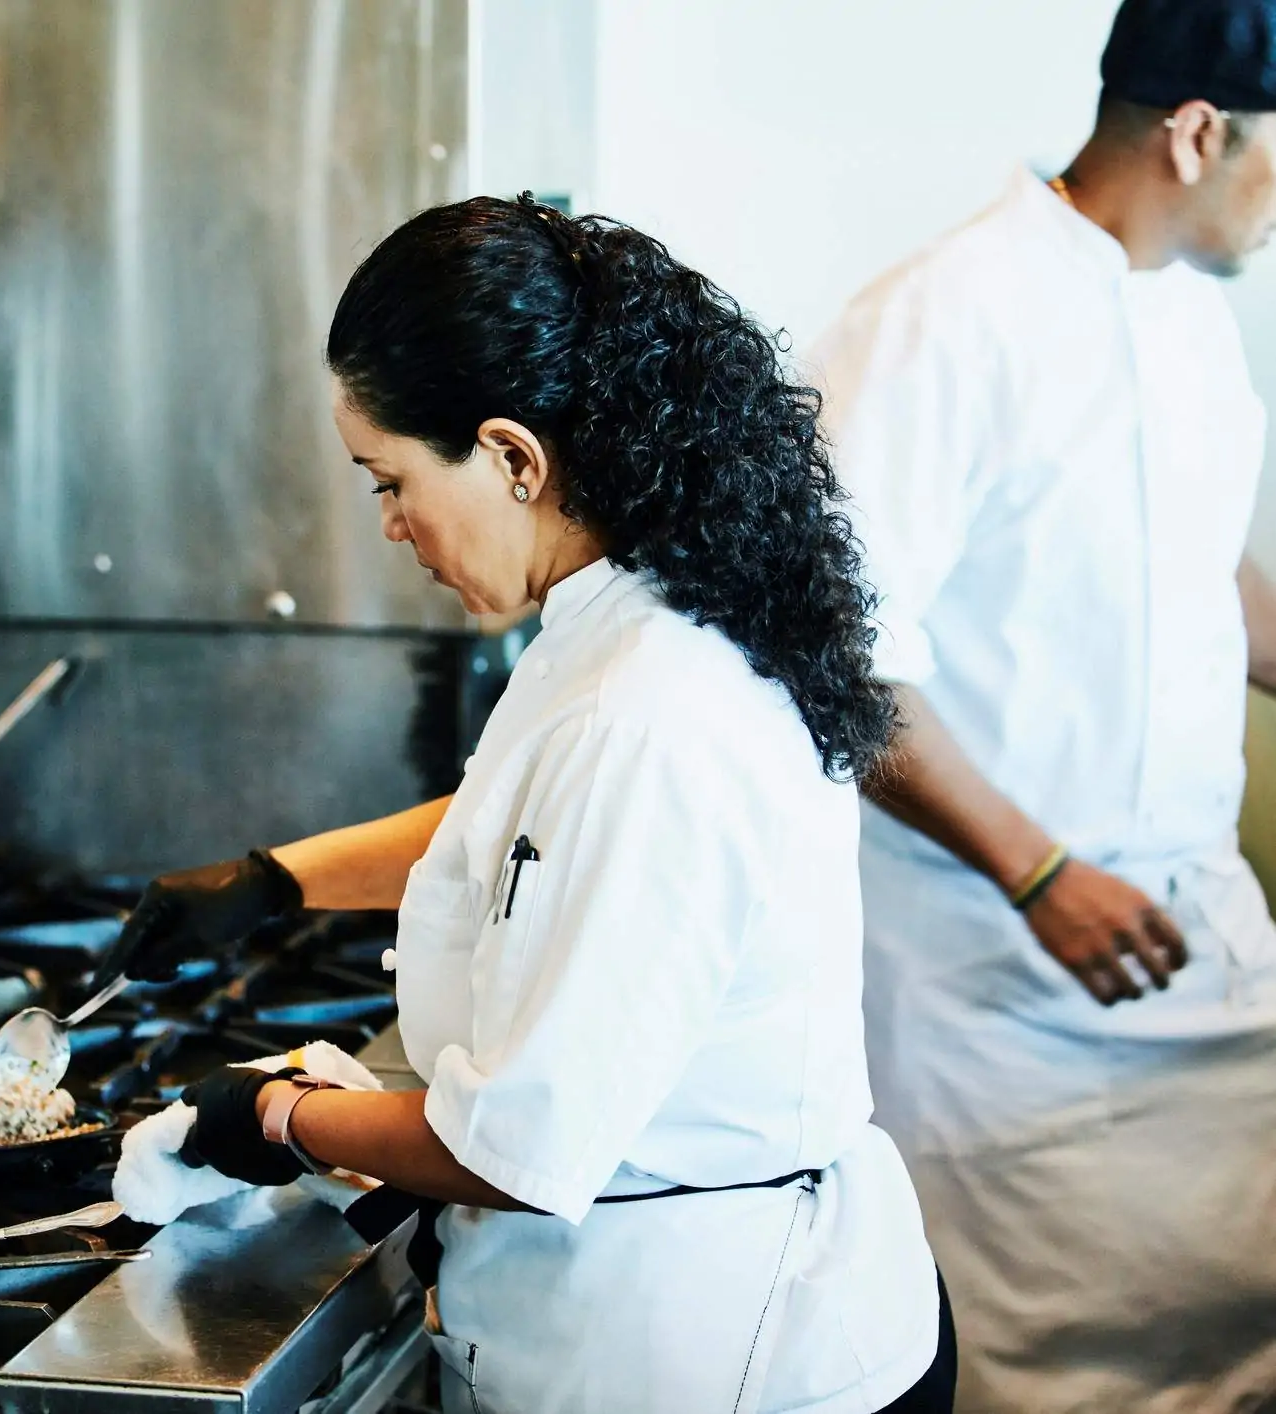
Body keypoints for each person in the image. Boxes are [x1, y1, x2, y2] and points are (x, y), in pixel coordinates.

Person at [100, 195, 952, 1414]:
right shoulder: (641, 614)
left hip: (720, 1359)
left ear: (512, 456)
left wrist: (280, 1116)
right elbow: (516, 819)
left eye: (390, 479)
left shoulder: (648, 711)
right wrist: (276, 879)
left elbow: (510, 1148)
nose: (390, 523)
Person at [807, 2, 1276, 1409]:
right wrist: (1039, 870)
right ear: (1199, 133)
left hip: (1191, 932)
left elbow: (1204, 565)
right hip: (992, 972)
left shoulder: (1195, 310)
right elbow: (840, 657)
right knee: (1046, 1374)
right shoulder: (935, 318)